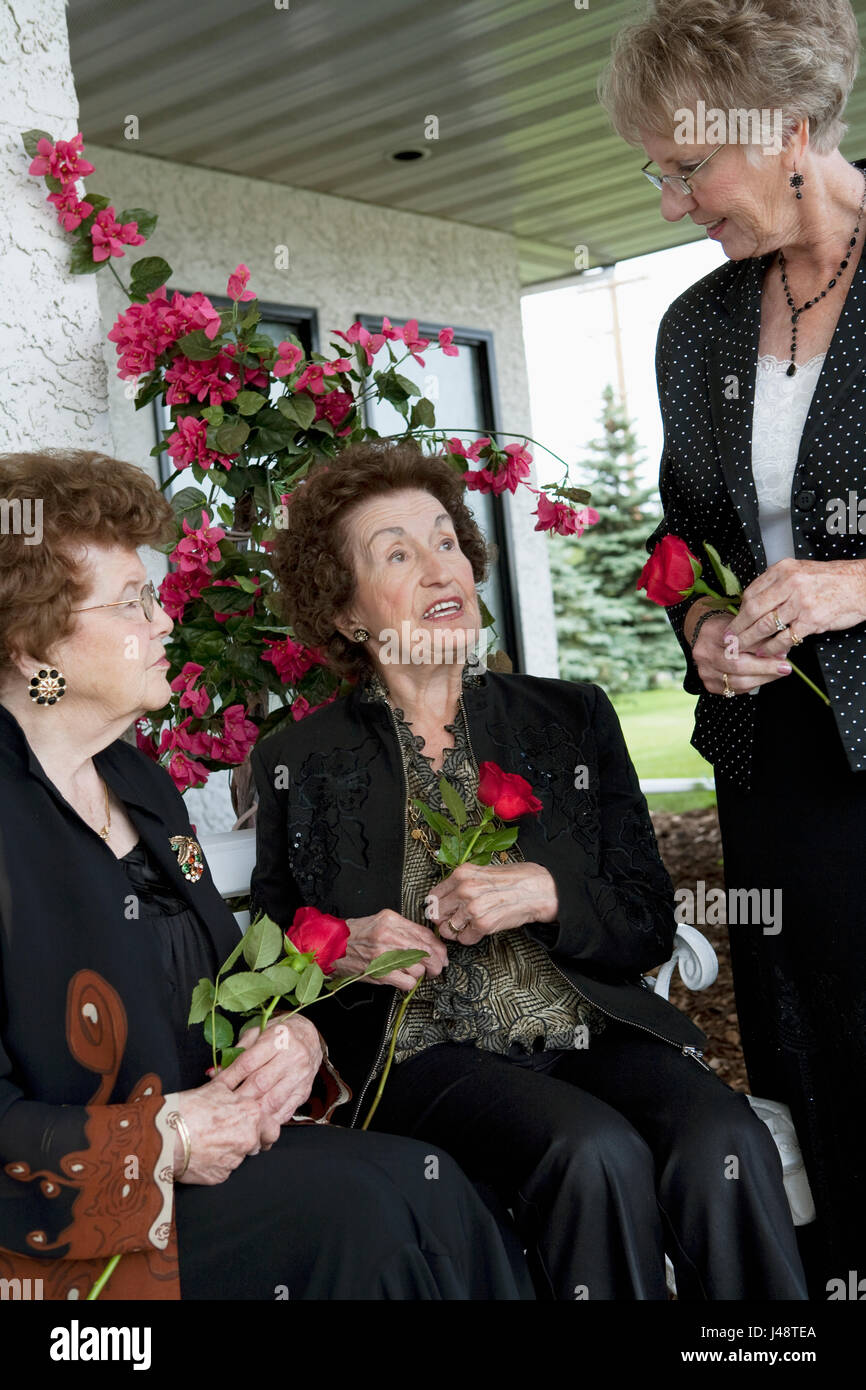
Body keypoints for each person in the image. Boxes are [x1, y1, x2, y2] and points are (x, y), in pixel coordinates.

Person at [250, 438, 807, 1300]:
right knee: (591, 1153)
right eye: (397, 554)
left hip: (587, 1026)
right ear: (348, 614)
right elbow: (270, 944)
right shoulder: (301, 756)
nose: (440, 569)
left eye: (445, 542)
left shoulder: (571, 717)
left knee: (722, 1140)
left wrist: (549, 893)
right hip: (426, 1056)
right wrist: (338, 944)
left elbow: (646, 918)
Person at [0, 448, 532, 1301]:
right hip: (75, 1214)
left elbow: (213, 986)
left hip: (210, 1154)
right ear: (33, 648)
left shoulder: (135, 785)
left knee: (434, 1190)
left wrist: (292, 1037)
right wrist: (165, 1137)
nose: (164, 621)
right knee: (368, 1217)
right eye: (135, 601)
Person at [598, 0, 866, 1291]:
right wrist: (702, 622)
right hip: (771, 767)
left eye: (685, 166)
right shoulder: (692, 330)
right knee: (806, 1066)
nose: (668, 202)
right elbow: (680, 539)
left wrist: (849, 585)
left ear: (783, 130)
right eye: (657, 172)